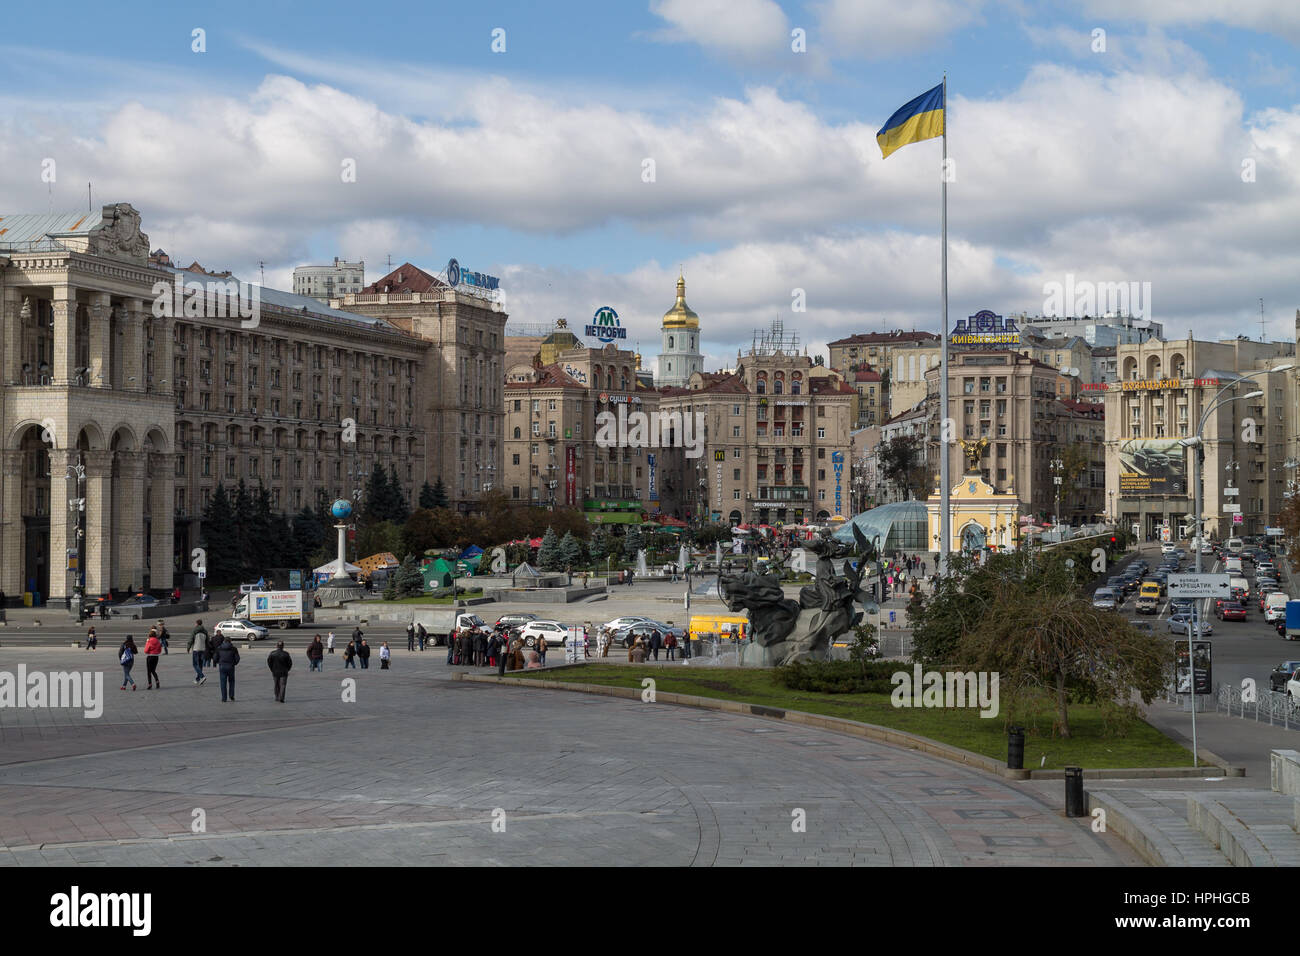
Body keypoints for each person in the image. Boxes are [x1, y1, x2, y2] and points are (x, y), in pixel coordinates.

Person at [216, 634, 240, 701]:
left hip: (222, 666)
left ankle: (224, 698)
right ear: (230, 641)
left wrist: (219, 662)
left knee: (223, 682)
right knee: (231, 681)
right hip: (231, 666)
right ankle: (231, 695)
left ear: (224, 641)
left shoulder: (219, 648)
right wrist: (234, 663)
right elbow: (237, 658)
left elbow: (215, 657)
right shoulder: (234, 648)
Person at [188, 619, 209, 684]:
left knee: (195, 664)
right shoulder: (205, 631)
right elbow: (207, 641)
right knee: (200, 665)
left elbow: (191, 639)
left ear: (196, 623)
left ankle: (202, 676)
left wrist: (188, 647)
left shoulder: (194, 630)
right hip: (203, 649)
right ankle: (198, 679)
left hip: (196, 649)